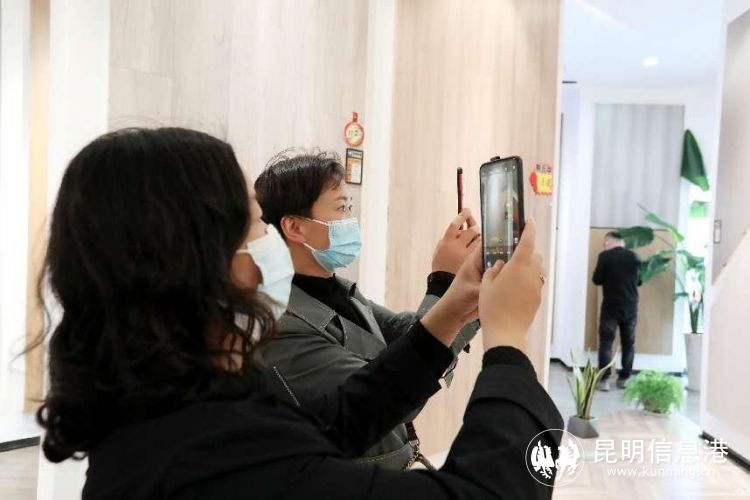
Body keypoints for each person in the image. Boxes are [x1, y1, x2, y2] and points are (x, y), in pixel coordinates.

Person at [34, 127, 563, 499]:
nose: (265, 241)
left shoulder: (183, 402)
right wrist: (508, 342)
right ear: (195, 264)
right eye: (253, 227)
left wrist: (452, 305)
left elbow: (341, 416)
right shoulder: (214, 461)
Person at [253, 151, 480, 469]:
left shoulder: (337, 289)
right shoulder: (282, 324)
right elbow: (386, 396)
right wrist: (444, 283)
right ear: (294, 226)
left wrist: (472, 284)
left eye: (351, 207)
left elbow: (405, 335)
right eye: (341, 208)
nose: (351, 220)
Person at [592, 231, 642, 391]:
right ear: (622, 242)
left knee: (606, 343)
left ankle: (604, 380)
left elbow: (596, 279)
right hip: (631, 306)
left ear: (608, 242)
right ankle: (624, 379)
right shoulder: (634, 257)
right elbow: (639, 281)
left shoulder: (605, 256)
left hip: (610, 306)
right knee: (629, 343)